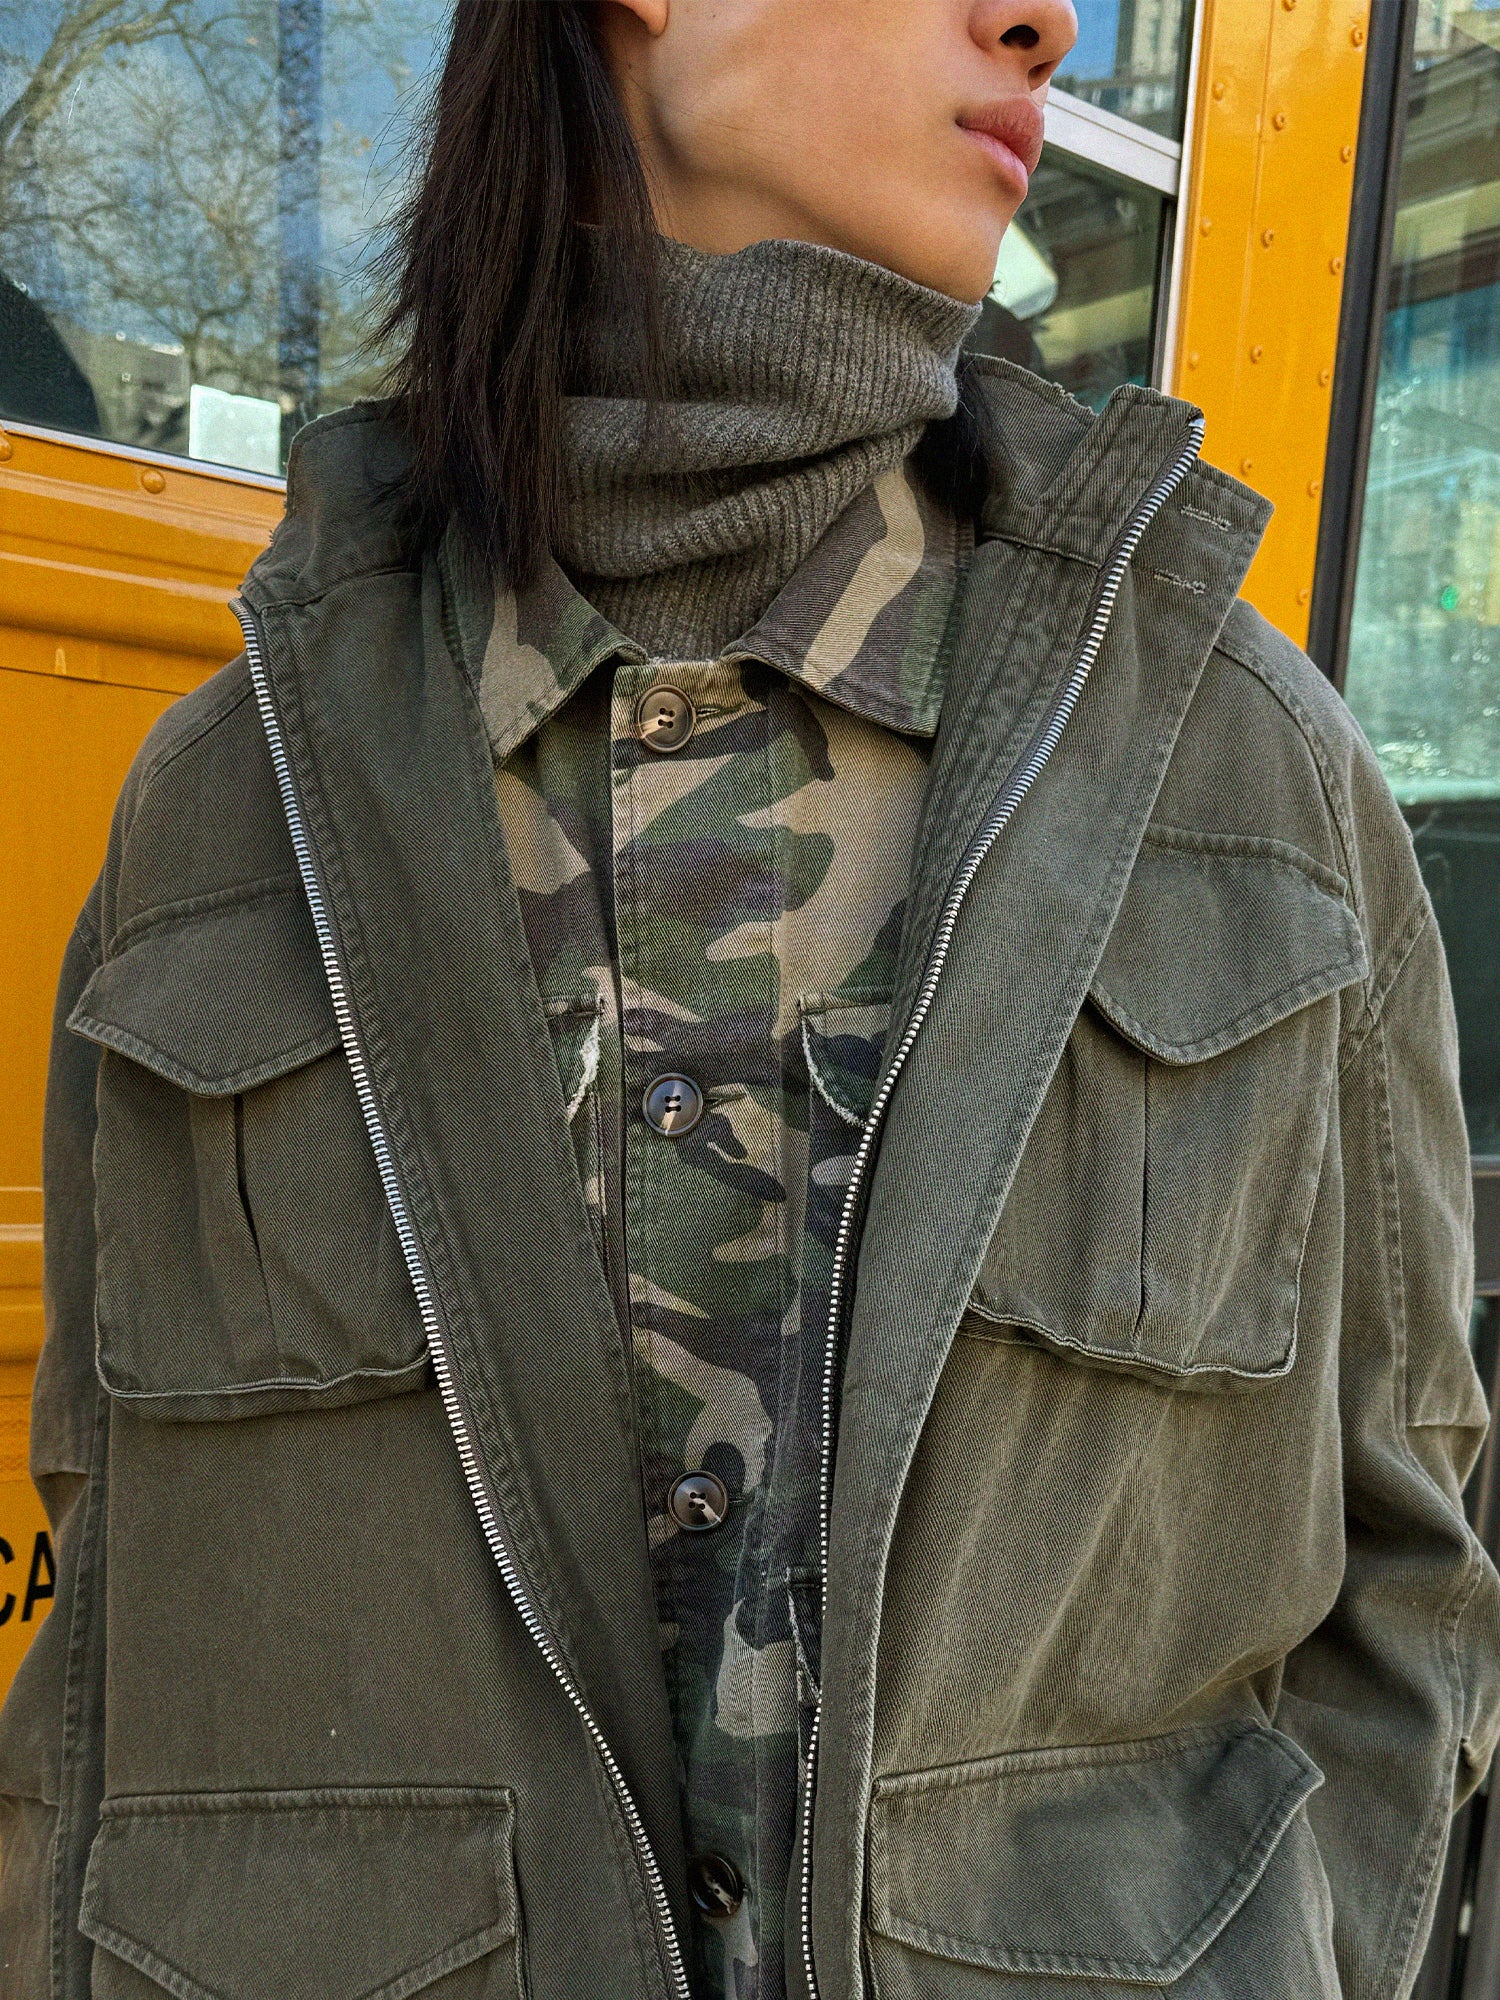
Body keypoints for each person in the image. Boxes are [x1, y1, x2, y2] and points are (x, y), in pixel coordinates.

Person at [2, 3, 1497, 1997]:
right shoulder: (224, 810)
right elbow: (119, 1628)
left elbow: (1399, 1564)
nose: (1046, 17)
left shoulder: (1246, 782)